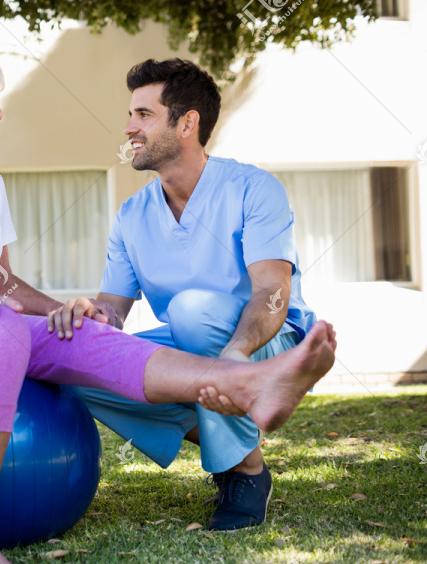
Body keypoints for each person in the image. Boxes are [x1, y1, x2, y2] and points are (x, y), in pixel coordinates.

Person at [0, 46, 335, 564]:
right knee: (11, 328)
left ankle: (247, 383)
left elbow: (3, 284)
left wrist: (63, 311)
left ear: (188, 123)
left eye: (142, 114)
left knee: (83, 334)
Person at [48, 58, 319, 532]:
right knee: (75, 360)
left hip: (270, 343)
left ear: (187, 122)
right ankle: (241, 451)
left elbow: (274, 292)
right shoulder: (131, 215)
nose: (129, 127)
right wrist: (92, 316)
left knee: (192, 312)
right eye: (131, 115)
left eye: (144, 115)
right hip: (194, 347)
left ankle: (244, 473)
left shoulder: (253, 189)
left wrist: (235, 353)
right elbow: (113, 310)